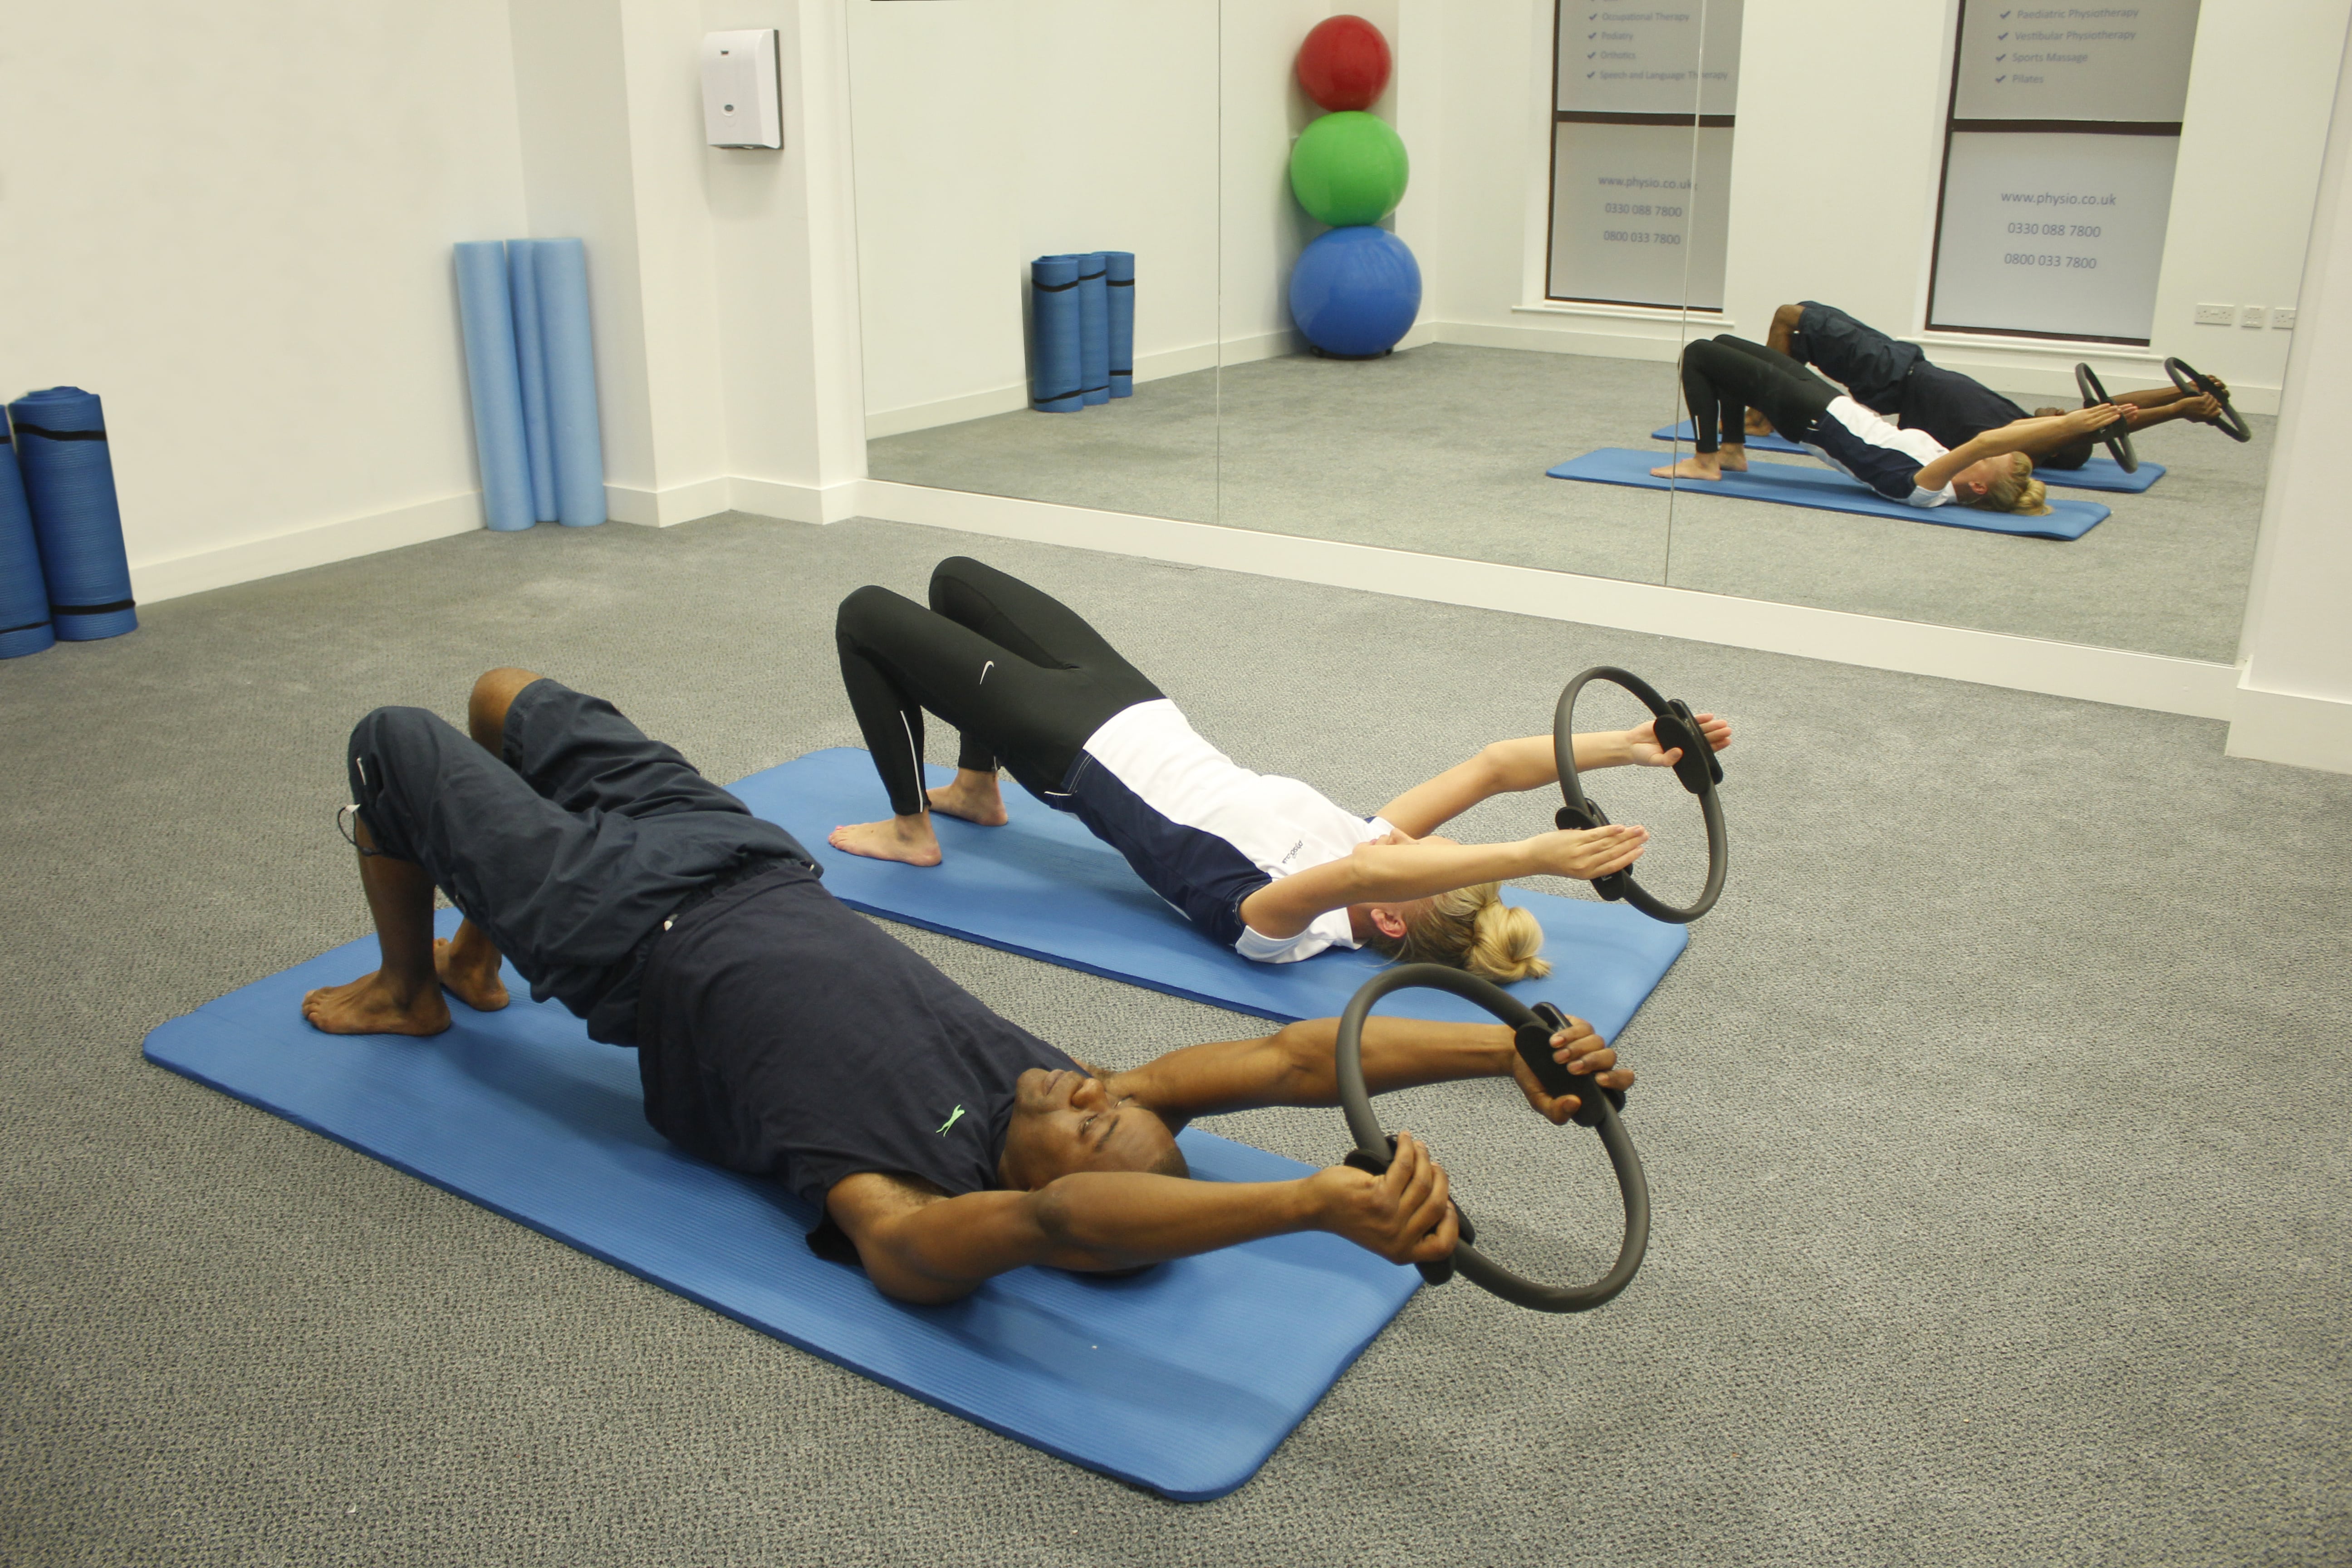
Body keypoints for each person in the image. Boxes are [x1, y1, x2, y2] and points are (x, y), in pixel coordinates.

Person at [305, 668, 1634, 1306]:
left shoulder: (903, 1198)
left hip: (622, 934)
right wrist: (1502, 1051)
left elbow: (1050, 1229)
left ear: (1058, 1185)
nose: (1086, 1088)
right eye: (1108, 1099)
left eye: (1090, 1123)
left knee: (394, 743)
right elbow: (1297, 1064)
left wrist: (1302, 1205)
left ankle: (410, 987)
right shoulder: (1047, 1090)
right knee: (503, 696)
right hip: (745, 859)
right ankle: (476, 946)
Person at [828, 558, 1733, 981]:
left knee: (869, 609)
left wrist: (1532, 858)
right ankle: (976, 790)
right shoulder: (1372, 850)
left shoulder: (1280, 928)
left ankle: (914, 830)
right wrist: (1628, 747)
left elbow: (1378, 870)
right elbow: (1494, 766)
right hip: (1137, 702)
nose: (1420, 842)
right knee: (954, 583)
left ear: (1384, 917)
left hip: (1072, 748)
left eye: (1429, 862)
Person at [1651, 333, 2126, 515]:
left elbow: (1990, 438)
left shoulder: (1926, 489)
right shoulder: (1947, 473)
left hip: (1813, 419)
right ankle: (1731, 450)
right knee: (1724, 345)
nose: (1985, 453)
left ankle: (1706, 460)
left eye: (1990, 462)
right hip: (1832, 405)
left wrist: (2074, 426)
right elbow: (1991, 444)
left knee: (1698, 354)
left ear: (1980, 488)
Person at [1758, 300, 2228, 469]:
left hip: (1894, 375)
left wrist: (2176, 414)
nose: (2061, 412)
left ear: (2060, 440)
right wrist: (2183, 391)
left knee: (1790, 316)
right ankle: (1762, 411)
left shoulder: (2023, 440)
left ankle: (1758, 417)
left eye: (2066, 423)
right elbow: (2107, 404)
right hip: (1904, 366)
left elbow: (2098, 424)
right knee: (1799, 328)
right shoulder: (2021, 424)